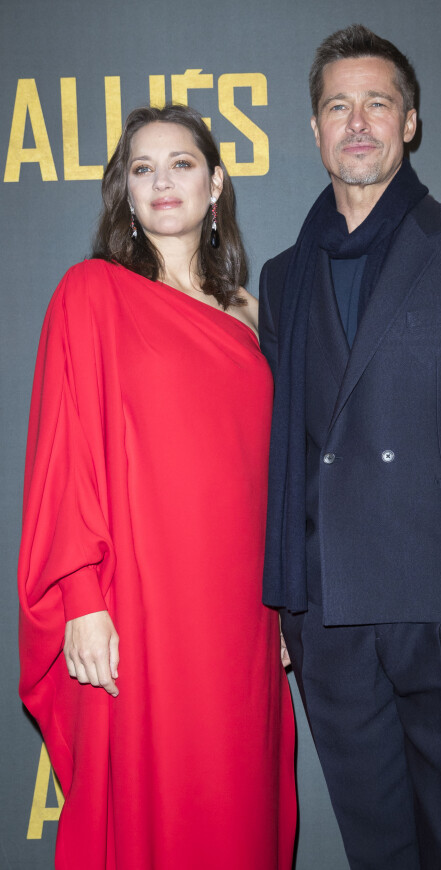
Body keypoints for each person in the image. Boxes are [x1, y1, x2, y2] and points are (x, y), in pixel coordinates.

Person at [259, 24, 441, 870]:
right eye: (337, 106)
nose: (357, 122)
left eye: (376, 104)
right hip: (331, 616)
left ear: (410, 122)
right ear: (313, 130)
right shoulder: (283, 277)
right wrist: (282, 602)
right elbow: (282, 454)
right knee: (377, 850)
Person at [18, 103, 295, 870]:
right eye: (143, 168)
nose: (162, 181)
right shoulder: (92, 294)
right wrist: (81, 598)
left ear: (217, 186)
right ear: (125, 194)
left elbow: (276, 475)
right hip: (139, 603)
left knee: (237, 809)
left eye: (181, 164)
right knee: (155, 806)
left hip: (243, 612)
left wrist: (285, 598)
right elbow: (64, 452)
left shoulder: (254, 317)